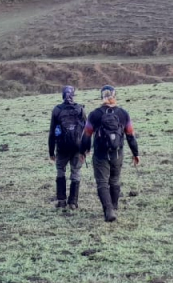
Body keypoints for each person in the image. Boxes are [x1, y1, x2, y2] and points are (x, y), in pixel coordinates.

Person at [81, 85, 139, 222]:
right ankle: (114, 206)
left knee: (102, 182)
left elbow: (87, 135)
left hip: (100, 154)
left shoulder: (94, 114)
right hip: (117, 153)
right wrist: (136, 153)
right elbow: (130, 135)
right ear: (115, 96)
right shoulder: (123, 113)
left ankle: (109, 210)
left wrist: (84, 151)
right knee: (114, 180)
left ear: (102, 97)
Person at [48, 85, 87, 210]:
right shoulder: (80, 109)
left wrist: (51, 152)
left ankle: (61, 201)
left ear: (62, 95)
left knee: (60, 171)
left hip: (62, 148)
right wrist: (85, 148)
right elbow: (86, 130)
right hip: (77, 147)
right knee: (76, 172)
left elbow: (52, 132)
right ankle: (73, 203)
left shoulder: (57, 110)